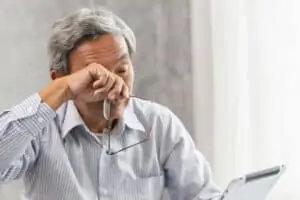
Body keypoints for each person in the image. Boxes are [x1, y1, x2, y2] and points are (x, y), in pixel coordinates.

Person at [0, 7, 221, 200]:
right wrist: (62, 90)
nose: (116, 83)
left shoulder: (159, 124)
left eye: (122, 70)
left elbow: (204, 195)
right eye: (96, 75)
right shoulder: (41, 129)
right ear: (61, 77)